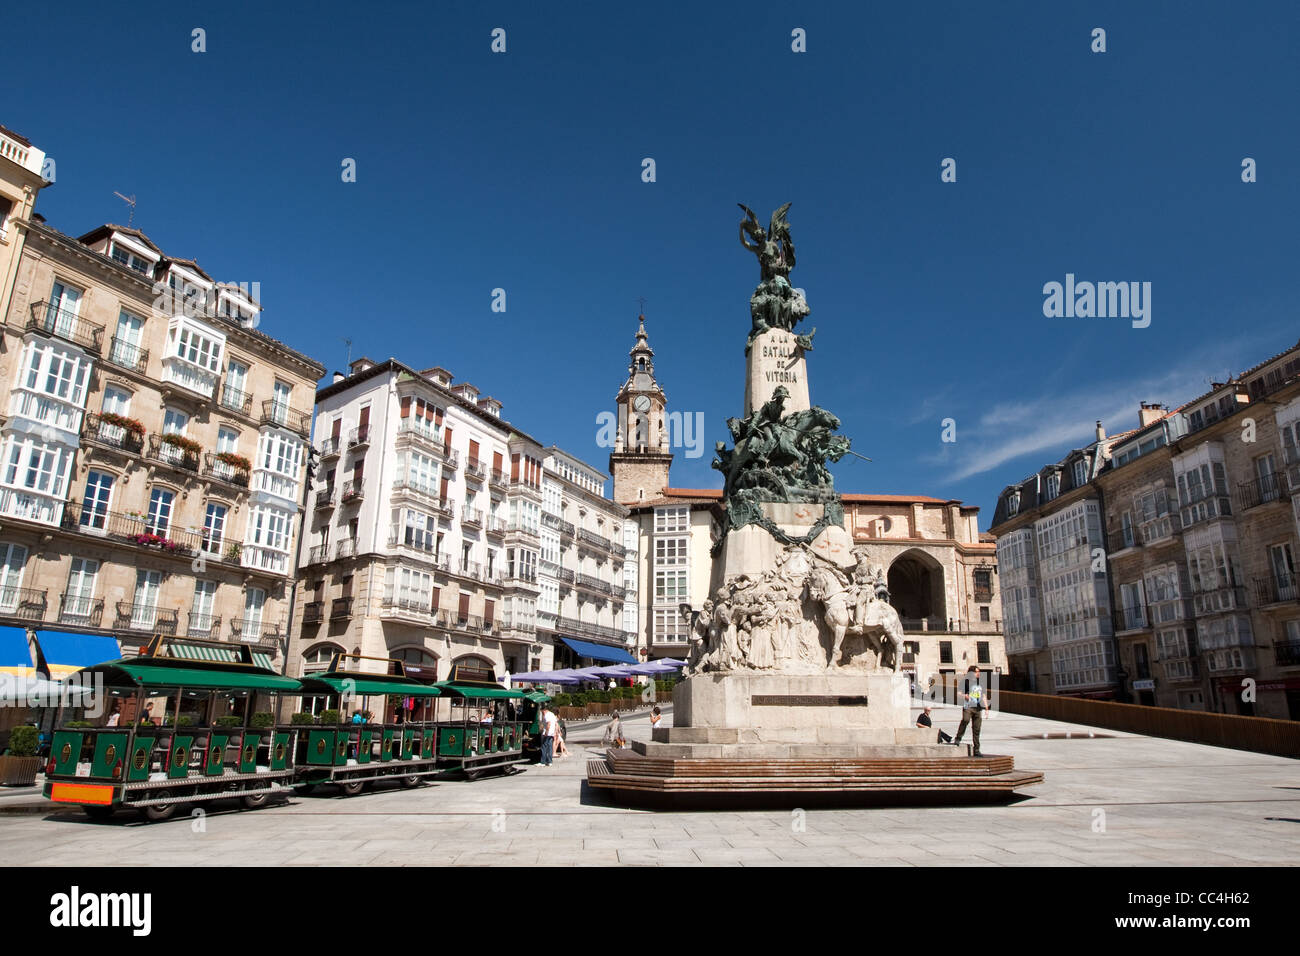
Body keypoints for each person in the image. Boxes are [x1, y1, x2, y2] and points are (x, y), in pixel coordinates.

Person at [951, 667, 989, 756]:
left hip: (978, 708)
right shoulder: (965, 682)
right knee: (965, 720)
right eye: (976, 672)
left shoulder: (981, 683)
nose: (978, 673)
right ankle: (958, 738)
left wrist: (986, 708)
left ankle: (976, 750)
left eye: (979, 671)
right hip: (968, 706)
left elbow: (983, 695)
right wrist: (965, 696)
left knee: (977, 729)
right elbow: (958, 693)